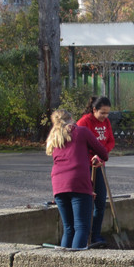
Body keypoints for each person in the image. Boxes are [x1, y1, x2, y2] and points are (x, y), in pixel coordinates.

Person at [46, 109, 109, 250]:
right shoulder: (81, 132)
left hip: (58, 184)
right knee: (81, 227)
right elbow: (103, 153)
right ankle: (76, 260)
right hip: (78, 181)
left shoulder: (54, 137)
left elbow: (70, 156)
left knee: (68, 228)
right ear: (71, 119)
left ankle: (62, 261)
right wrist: (94, 156)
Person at [77, 96, 115, 246]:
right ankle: (84, 235)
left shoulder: (106, 122)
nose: (105, 116)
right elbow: (78, 144)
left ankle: (96, 234)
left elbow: (110, 141)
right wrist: (92, 156)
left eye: (107, 113)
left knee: (100, 200)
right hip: (86, 166)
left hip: (99, 165)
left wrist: (102, 153)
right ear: (94, 110)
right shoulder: (84, 122)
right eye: (102, 113)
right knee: (87, 201)